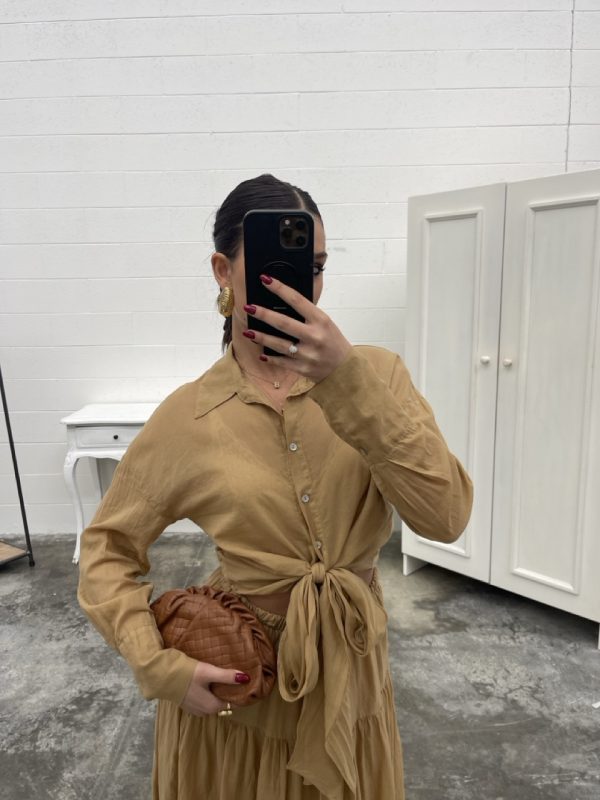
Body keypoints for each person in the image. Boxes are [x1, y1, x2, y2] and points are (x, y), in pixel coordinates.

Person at [77, 173, 474, 800]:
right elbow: (106, 550)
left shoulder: (379, 378)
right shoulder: (189, 416)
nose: (301, 285)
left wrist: (348, 382)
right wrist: (159, 667)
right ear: (223, 272)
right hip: (239, 690)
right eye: (276, 266)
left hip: (352, 675)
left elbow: (445, 517)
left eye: (314, 268)